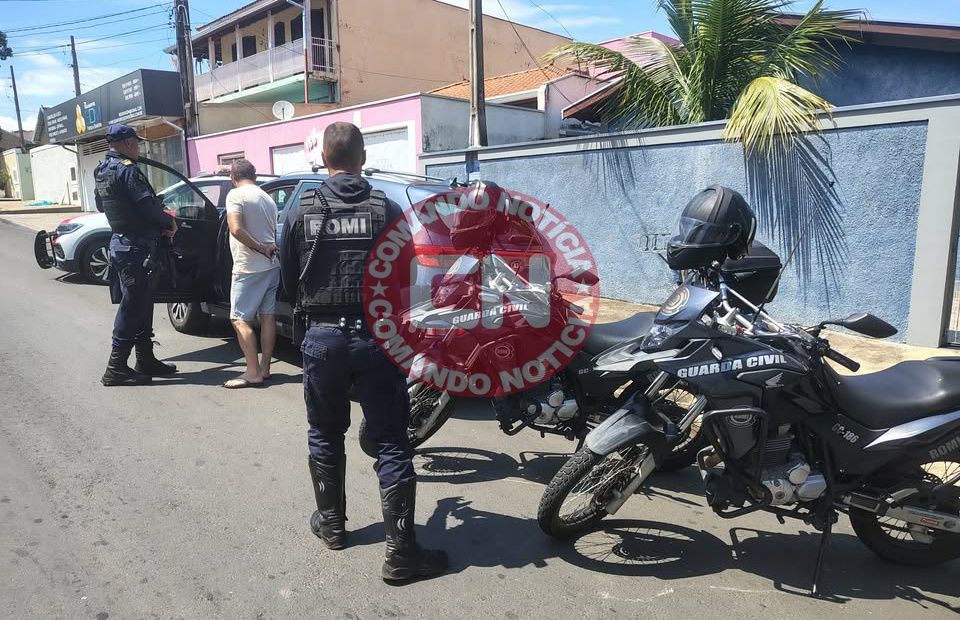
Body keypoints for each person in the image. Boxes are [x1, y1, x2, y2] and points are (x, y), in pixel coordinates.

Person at [280, 122, 447, 582]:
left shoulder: (303, 210)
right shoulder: (386, 208)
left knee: (325, 431)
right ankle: (400, 554)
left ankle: (332, 525)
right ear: (362, 157)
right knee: (391, 440)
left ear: (324, 159)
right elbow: (407, 276)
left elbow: (288, 279)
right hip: (376, 338)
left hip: (322, 338)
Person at [95, 123, 178, 387]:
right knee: (132, 307)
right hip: (136, 248)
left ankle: (145, 359)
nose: (139, 147)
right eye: (137, 142)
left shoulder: (102, 169)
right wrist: (168, 221)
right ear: (128, 143)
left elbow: (101, 204)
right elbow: (146, 206)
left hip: (123, 244)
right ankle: (116, 367)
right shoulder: (127, 170)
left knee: (141, 303)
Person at [223, 159, 280, 389]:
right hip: (272, 265)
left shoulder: (235, 196)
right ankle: (265, 368)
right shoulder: (267, 198)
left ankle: (252, 371)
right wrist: (266, 248)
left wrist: (259, 247)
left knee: (238, 319)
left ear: (232, 177)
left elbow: (235, 228)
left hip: (249, 267)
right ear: (254, 176)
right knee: (267, 317)